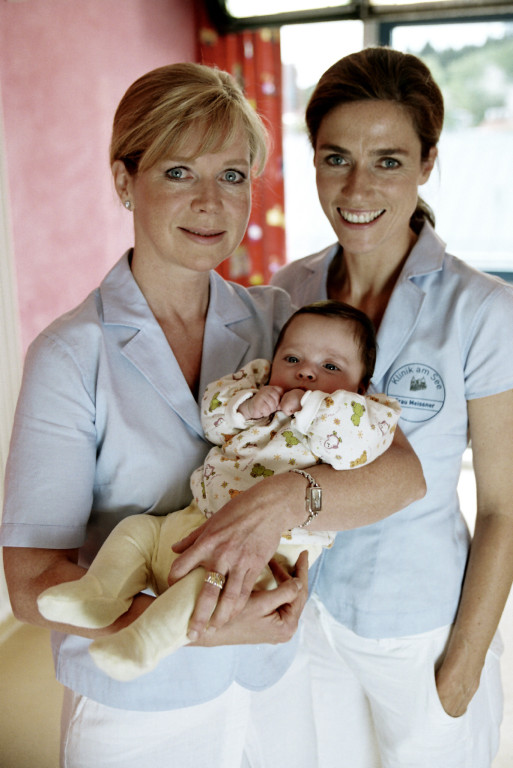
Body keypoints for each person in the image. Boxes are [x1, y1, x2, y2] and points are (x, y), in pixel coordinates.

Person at [0, 62, 424, 768]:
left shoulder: (279, 322)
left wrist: (286, 497)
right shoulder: (71, 355)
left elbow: (401, 473)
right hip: (137, 711)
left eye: (232, 176)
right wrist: (195, 627)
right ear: (122, 179)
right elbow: (30, 583)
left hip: (273, 681)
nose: (211, 202)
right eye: (177, 172)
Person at [270, 46, 513, 768]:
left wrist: (463, 665)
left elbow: (503, 505)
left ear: (427, 161)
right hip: (302, 619)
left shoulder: (482, 310)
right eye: (334, 157)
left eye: (388, 160)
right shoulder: (289, 289)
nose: (355, 185)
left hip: (418, 630)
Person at [37, 300, 401, 682]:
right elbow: (212, 417)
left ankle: (145, 642)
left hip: (263, 554)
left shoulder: (367, 412)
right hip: (192, 523)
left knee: (207, 584)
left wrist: (310, 407)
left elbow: (355, 445)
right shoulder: (259, 382)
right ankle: (97, 593)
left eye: (330, 367)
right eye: (292, 358)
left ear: (360, 385)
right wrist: (243, 407)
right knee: (137, 531)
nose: (306, 372)